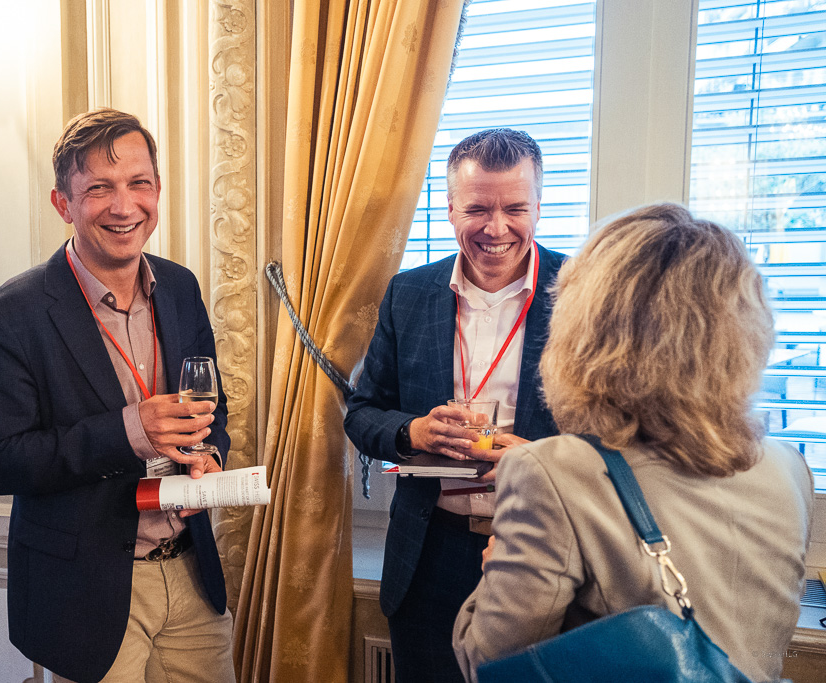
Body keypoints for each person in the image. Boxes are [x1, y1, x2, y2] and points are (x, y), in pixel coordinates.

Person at [452, 203, 814, 683]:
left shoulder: (553, 473)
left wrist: (494, 572)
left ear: (586, 330)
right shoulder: (789, 468)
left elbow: (488, 665)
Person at [0, 108, 234, 683]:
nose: (124, 205)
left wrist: (209, 455)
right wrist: (130, 431)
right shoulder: (11, 315)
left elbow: (212, 409)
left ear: (157, 190)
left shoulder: (181, 287)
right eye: (98, 189)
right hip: (89, 594)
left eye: (139, 183)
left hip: (192, 573)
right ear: (62, 203)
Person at [344, 128, 567, 681]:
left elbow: (626, 440)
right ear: (449, 209)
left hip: (544, 549)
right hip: (429, 555)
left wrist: (538, 460)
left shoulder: (585, 293)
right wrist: (413, 432)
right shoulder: (407, 293)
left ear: (539, 206)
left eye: (515, 208)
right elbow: (363, 413)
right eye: (478, 209)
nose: (497, 228)